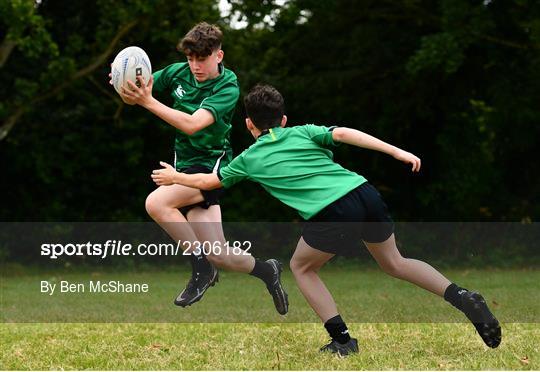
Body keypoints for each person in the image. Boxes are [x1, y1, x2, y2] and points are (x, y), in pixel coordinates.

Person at [150, 84, 502, 356]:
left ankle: (343, 341)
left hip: (333, 211)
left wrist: (176, 177)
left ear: (248, 124)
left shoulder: (249, 158)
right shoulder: (301, 131)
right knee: (395, 262)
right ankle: (463, 297)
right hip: (364, 193)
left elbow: (208, 182)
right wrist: (397, 151)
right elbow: (345, 133)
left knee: (302, 267)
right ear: (283, 120)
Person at [117, 24, 288, 314]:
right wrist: (124, 83)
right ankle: (267, 270)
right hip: (184, 166)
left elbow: (193, 125)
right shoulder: (177, 72)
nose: (195, 65)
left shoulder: (227, 86)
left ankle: (201, 268)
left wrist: (148, 102)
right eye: (191, 58)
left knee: (156, 203)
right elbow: (135, 95)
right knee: (220, 254)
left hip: (210, 169)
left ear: (218, 55)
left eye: (203, 58)